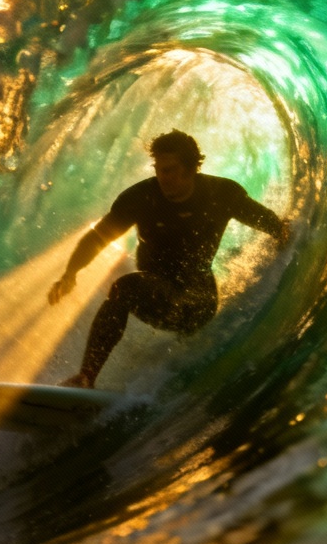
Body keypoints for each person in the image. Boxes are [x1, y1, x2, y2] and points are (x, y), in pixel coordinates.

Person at [48, 130, 290, 388]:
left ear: (191, 168)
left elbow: (274, 226)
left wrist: (289, 243)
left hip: (198, 300)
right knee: (123, 290)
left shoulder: (221, 194)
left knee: (125, 286)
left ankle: (87, 378)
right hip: (157, 297)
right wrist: (69, 274)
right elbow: (97, 238)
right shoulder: (140, 198)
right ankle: (86, 377)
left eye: (170, 170)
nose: (162, 177)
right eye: (159, 169)